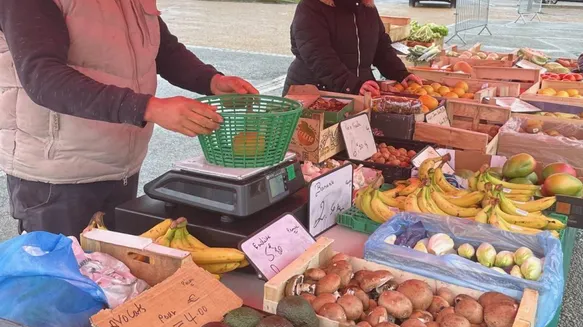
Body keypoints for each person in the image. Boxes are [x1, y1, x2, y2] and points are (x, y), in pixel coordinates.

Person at [0, 0, 258, 236]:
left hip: (121, 167)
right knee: (62, 282)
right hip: (55, 179)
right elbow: (43, 77)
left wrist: (211, 81)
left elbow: (163, 49)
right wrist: (148, 108)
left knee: (118, 279)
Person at [283, 0, 422, 97]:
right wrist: (352, 86)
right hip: (314, 93)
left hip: (358, 94)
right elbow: (318, 55)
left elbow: (381, 46)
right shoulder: (311, 7)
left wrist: (400, 73)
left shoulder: (366, 7)